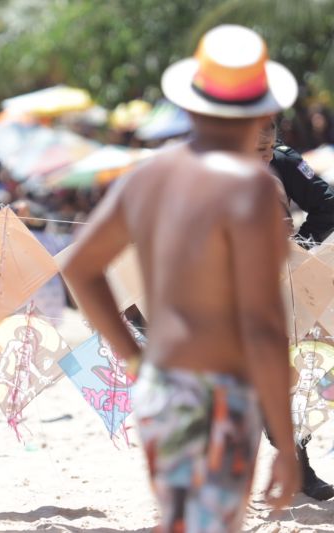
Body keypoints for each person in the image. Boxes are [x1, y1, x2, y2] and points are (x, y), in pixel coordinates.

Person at [61, 25, 299, 532]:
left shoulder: (148, 177)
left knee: (183, 520)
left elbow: (79, 268)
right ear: (261, 115)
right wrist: (286, 439)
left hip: (160, 385)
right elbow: (261, 324)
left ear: (190, 107)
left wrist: (131, 357)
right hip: (223, 389)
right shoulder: (254, 188)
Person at [255, 120, 334, 501]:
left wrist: (301, 248)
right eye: (255, 149)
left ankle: (300, 469)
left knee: (288, 369)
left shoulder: (285, 164)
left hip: (277, 280)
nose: (264, 156)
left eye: (268, 148)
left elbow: (329, 205)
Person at [256, 120, 334, 245]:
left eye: (271, 146)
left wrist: (302, 245)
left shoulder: (284, 161)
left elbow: (327, 204)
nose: (269, 156)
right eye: (260, 148)